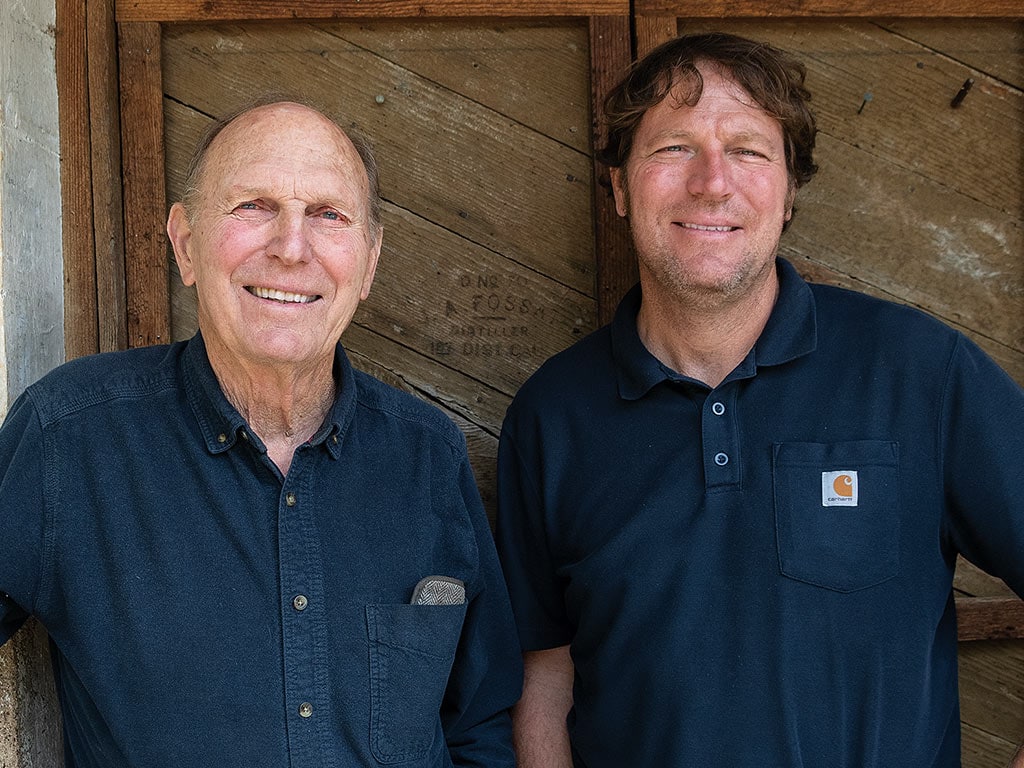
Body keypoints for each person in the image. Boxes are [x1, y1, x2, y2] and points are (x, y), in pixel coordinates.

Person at [495, 32, 1024, 767]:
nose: (713, 183)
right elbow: (546, 667)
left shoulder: (922, 374)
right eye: (673, 148)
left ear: (790, 189)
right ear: (619, 186)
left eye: (747, 150)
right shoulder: (552, 416)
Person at [0, 99, 522, 767]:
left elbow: (481, 721)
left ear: (367, 263)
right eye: (253, 206)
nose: (290, 248)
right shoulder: (69, 436)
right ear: (186, 244)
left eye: (328, 215)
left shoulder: (427, 455)